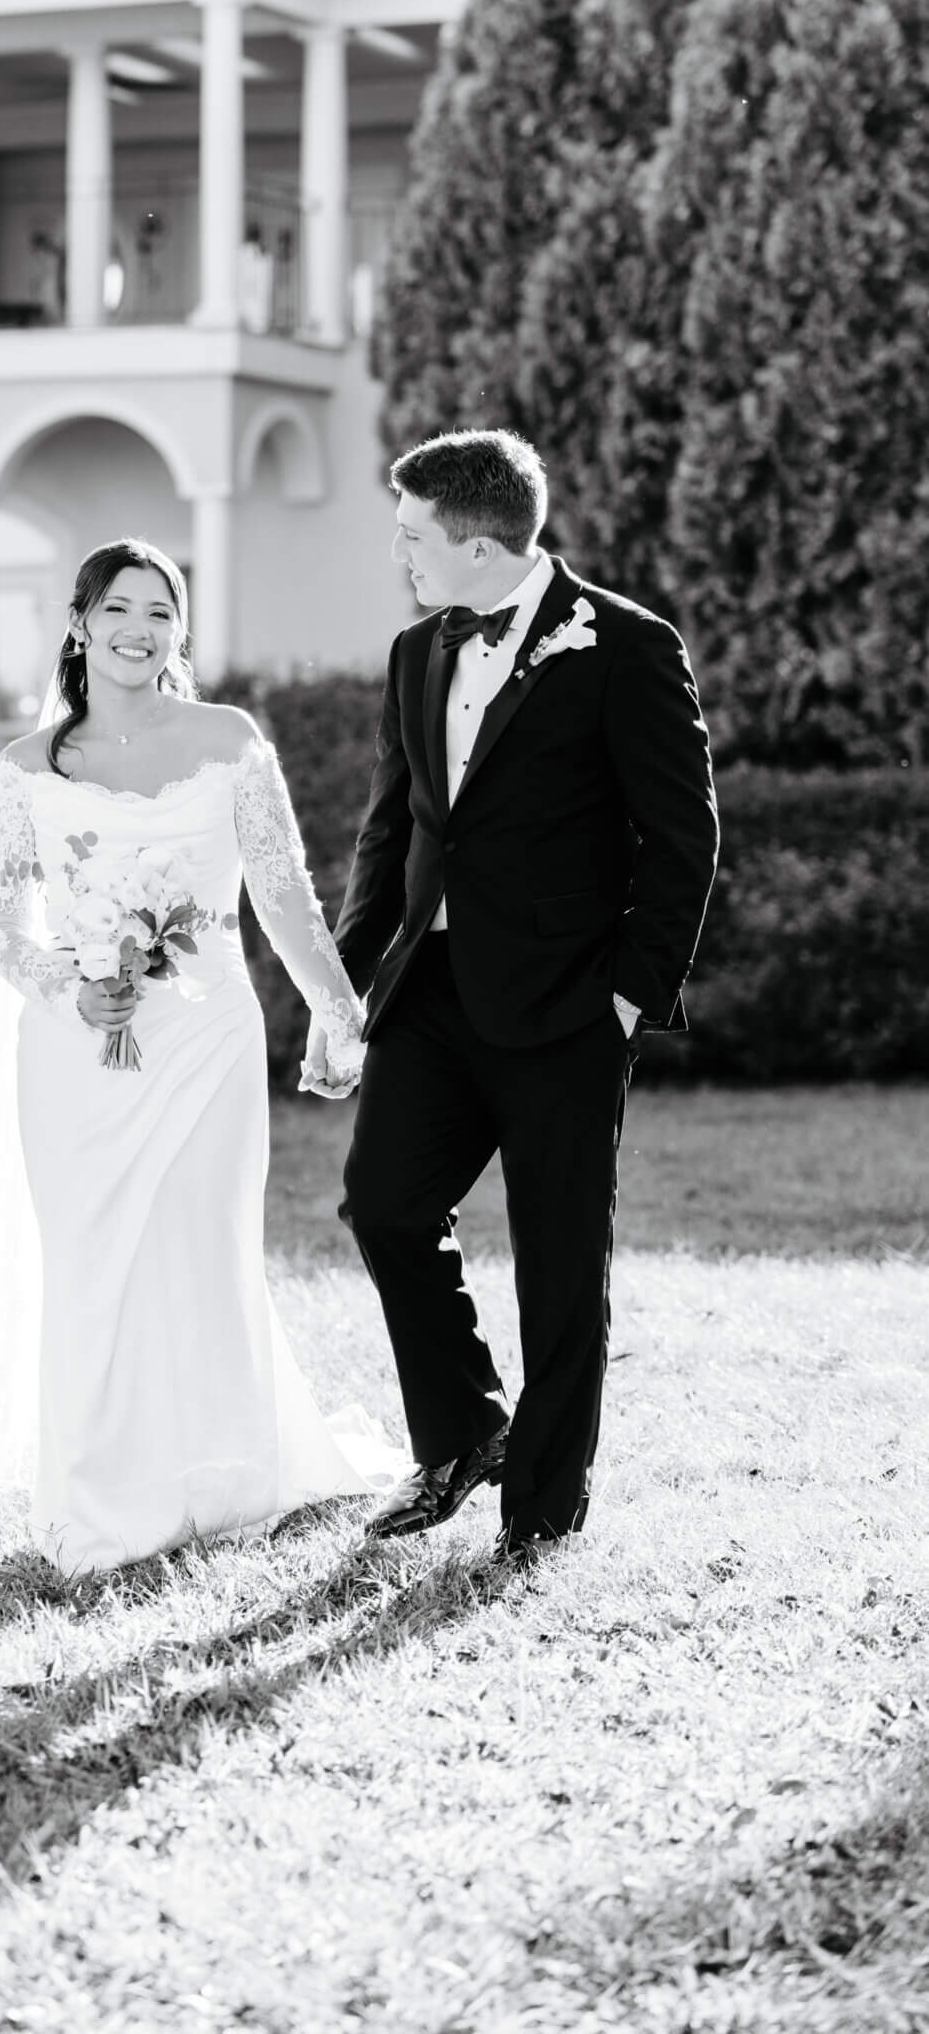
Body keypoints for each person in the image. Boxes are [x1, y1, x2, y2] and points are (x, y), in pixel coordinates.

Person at [0, 536, 403, 1575]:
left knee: (202, 1248)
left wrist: (338, 1014)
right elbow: (0, 924)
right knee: (93, 1263)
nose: (137, 629)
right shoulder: (25, 769)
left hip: (206, 1037)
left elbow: (283, 891)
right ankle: (96, 1496)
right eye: (117, 608)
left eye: (160, 611)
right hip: (74, 1052)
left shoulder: (228, 740)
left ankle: (218, 1472)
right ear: (79, 624)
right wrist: (67, 983)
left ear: (182, 630)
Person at [324, 430, 719, 1565]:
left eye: (411, 538)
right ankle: (461, 1433)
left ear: (483, 544)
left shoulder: (625, 646)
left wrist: (630, 998)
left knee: (557, 1266)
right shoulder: (416, 654)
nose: (400, 558)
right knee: (384, 1205)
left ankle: (539, 1511)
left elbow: (680, 834)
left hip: (567, 1009)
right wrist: (349, 985)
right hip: (432, 997)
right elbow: (390, 830)